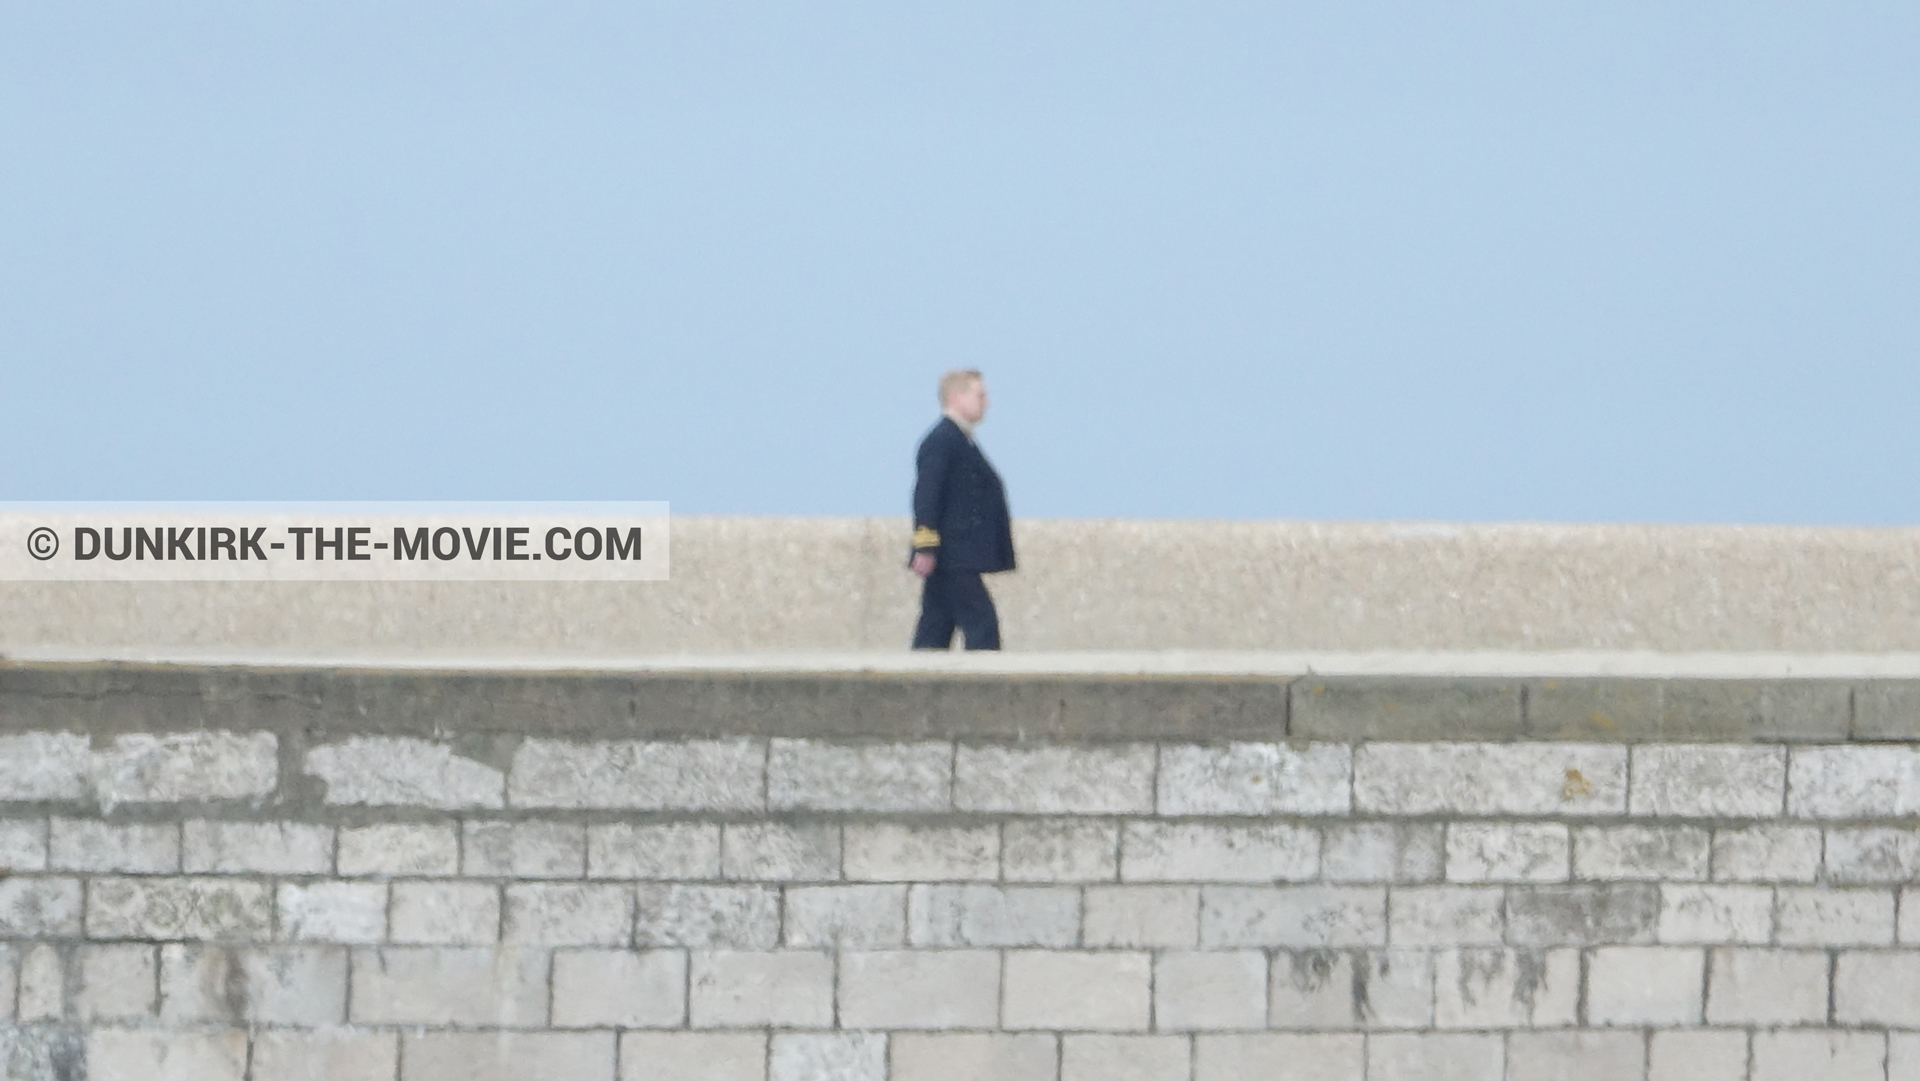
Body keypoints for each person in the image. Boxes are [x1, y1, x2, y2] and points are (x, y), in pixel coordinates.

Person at [909, 369, 1015, 650]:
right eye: (980, 395)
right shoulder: (942, 440)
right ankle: (984, 691)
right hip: (953, 557)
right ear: (957, 398)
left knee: (935, 627)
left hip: (953, 557)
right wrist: (925, 546)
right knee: (982, 624)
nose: (987, 402)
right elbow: (927, 495)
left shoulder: (960, 439)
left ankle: (916, 690)